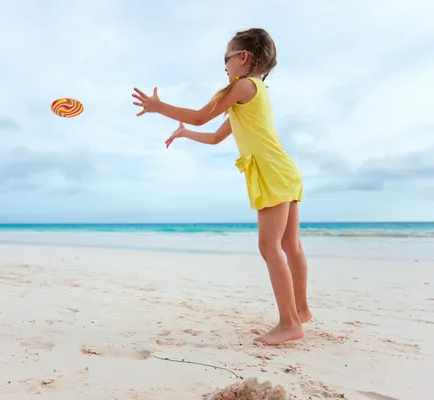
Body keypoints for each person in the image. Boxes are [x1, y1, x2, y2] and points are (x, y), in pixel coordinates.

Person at [132, 28, 312, 345]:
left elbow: (202, 116)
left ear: (243, 58)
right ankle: (301, 309)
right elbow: (215, 136)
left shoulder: (242, 86)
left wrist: (160, 107)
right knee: (289, 245)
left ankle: (289, 323)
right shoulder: (254, 92)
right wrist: (185, 134)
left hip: (271, 172)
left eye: (226, 59)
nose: (225, 67)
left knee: (269, 246)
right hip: (285, 170)